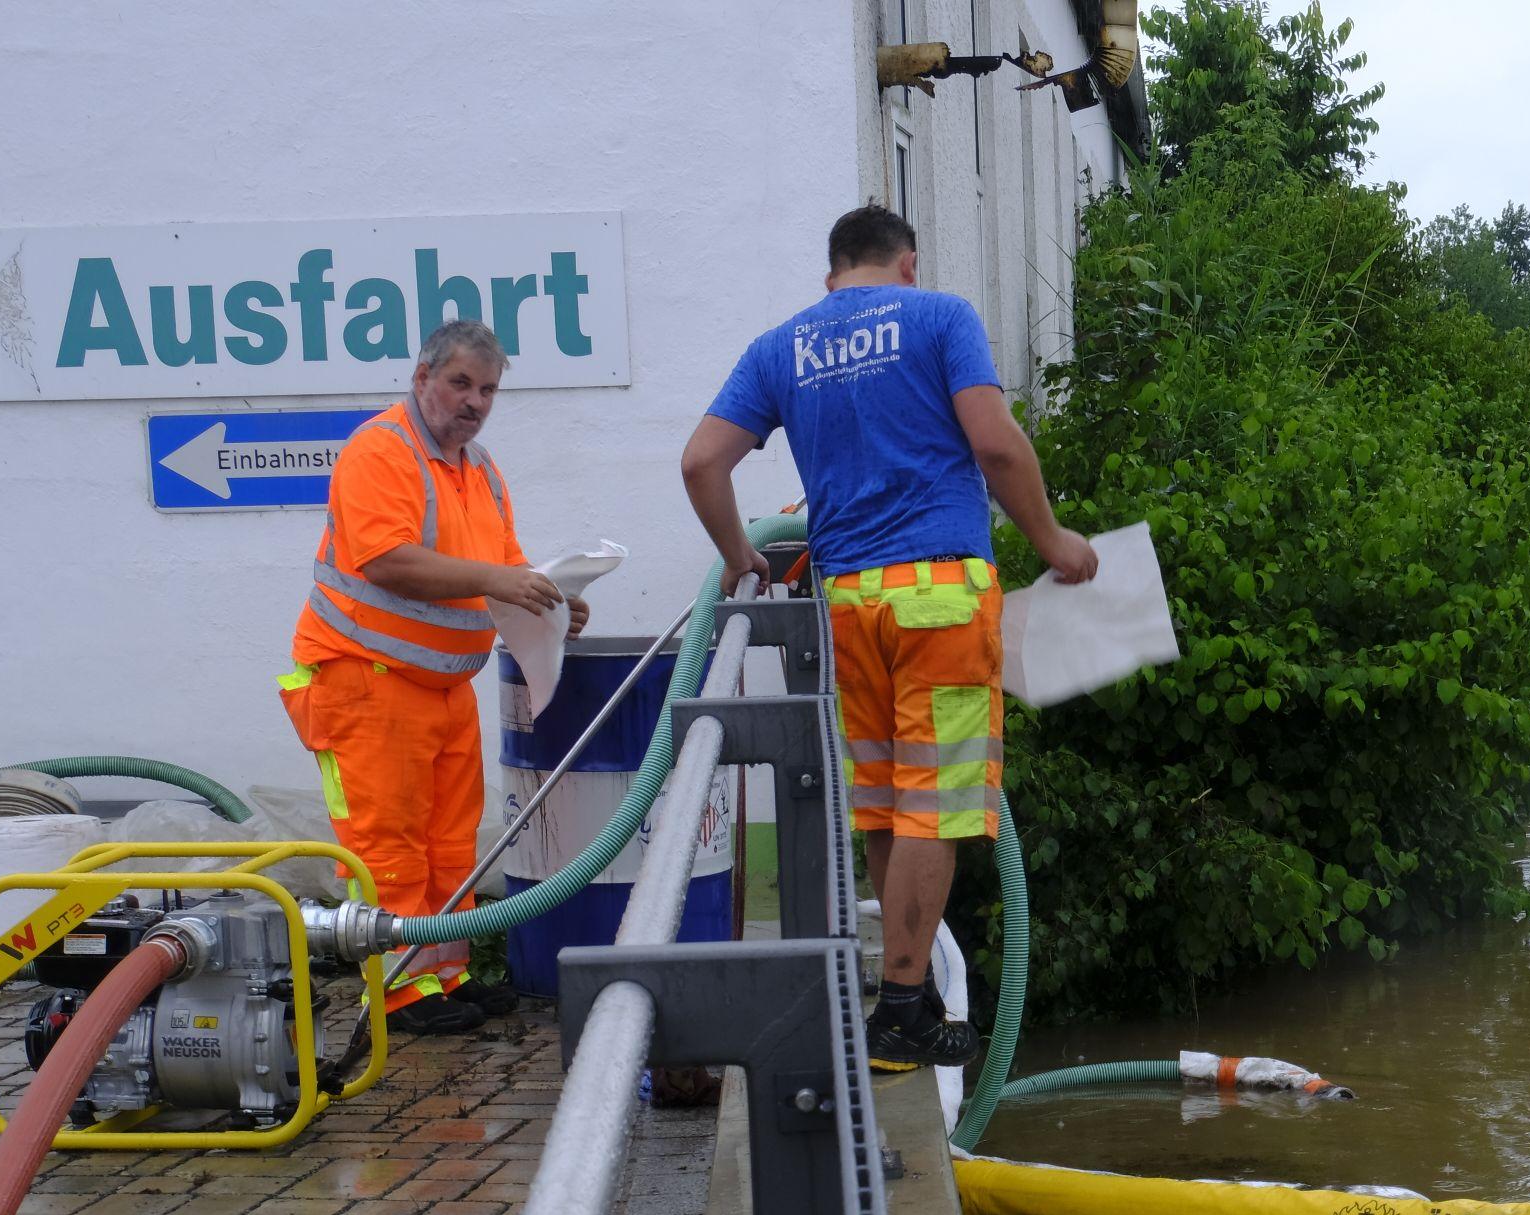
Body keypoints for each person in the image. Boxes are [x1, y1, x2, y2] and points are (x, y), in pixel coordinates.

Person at [680, 203, 1097, 1073]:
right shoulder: (941, 316)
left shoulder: (781, 347)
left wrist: (738, 557)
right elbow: (998, 447)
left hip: (849, 604)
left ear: (833, 273)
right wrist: (1054, 542)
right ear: (908, 262)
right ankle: (904, 1012)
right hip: (940, 595)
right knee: (935, 809)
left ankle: (908, 992)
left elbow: (700, 462)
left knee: (884, 801)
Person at [280, 318, 584, 1036]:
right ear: (421, 379)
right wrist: (502, 581)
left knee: (449, 842)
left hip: (442, 688)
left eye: (487, 389)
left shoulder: (480, 470)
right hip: (365, 681)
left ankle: (443, 976)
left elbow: (508, 573)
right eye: (460, 383)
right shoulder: (379, 451)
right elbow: (389, 560)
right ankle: (396, 990)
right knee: (387, 844)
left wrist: (554, 603)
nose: (474, 401)